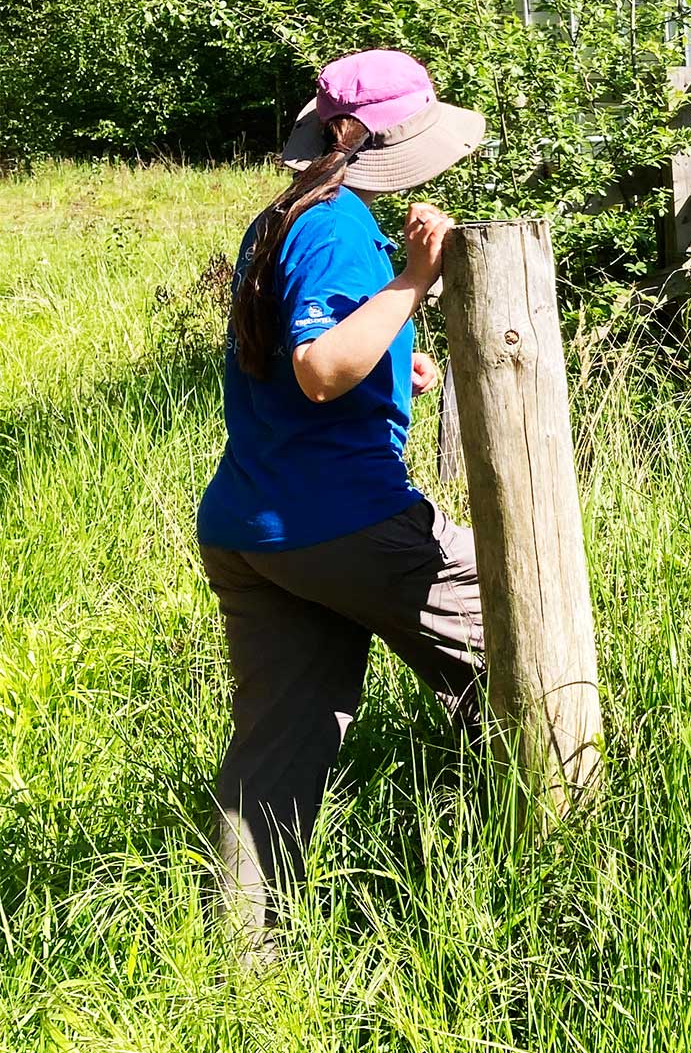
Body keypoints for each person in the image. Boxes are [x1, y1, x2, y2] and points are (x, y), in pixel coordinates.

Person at [198, 49, 489, 936]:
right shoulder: (336, 224)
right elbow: (321, 366)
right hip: (341, 520)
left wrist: (404, 364)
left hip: (252, 524)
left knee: (277, 745)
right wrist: (415, 280)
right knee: (529, 639)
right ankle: (573, 851)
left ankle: (234, 960)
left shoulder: (286, 215)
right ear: (353, 136)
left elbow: (299, 357)